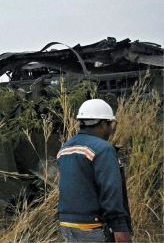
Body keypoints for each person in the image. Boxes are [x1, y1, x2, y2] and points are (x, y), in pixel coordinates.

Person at [58, 99, 132, 243]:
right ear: (103, 124)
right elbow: (111, 192)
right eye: (111, 124)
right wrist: (120, 229)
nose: (111, 129)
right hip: (92, 226)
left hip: (66, 224)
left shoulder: (65, 149)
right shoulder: (103, 149)